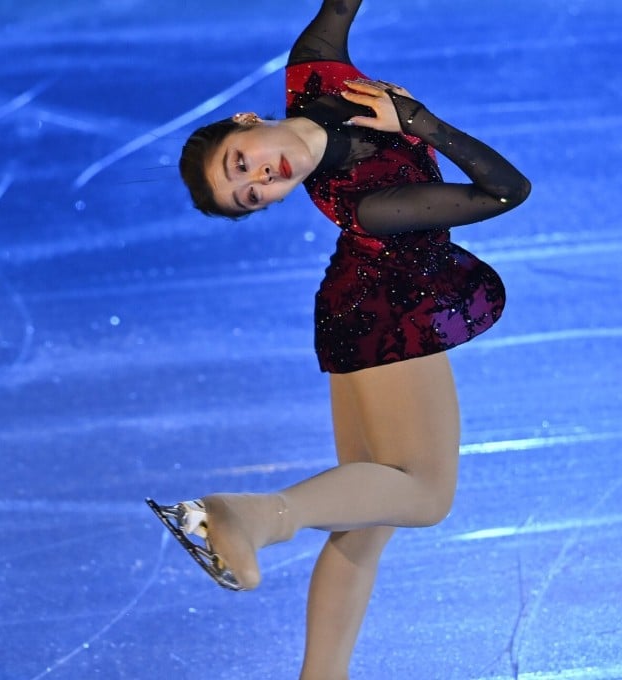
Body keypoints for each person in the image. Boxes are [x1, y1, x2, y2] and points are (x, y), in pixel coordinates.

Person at [146, 1, 530, 676]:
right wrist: (417, 121)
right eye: (249, 195)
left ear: (247, 120)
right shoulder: (366, 202)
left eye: (242, 165)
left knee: (366, 521)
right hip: (389, 314)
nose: (262, 180)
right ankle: (250, 517)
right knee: (426, 495)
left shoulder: (312, 74)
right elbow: (507, 191)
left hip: (354, 308)